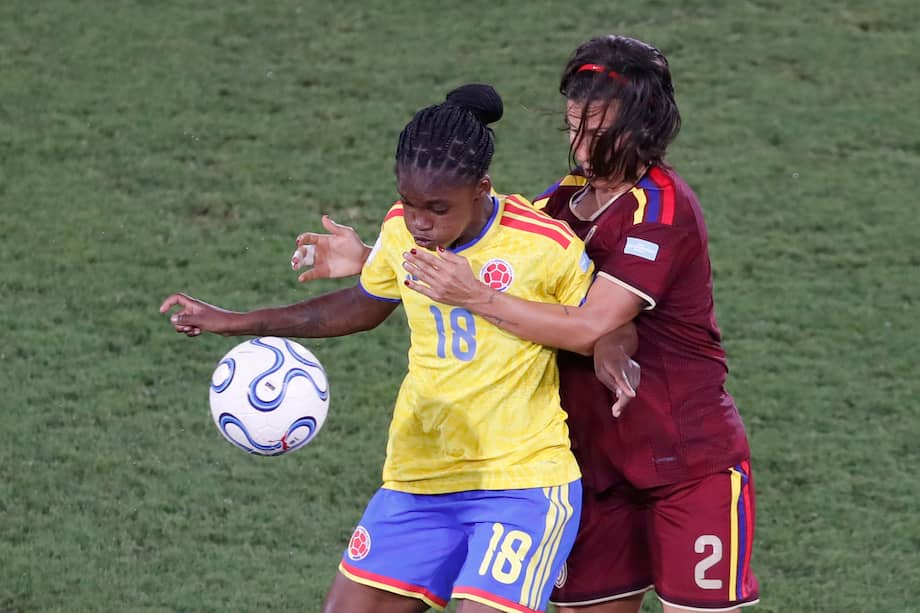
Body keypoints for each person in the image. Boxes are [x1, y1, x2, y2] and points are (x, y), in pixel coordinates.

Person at [292, 36, 760, 613]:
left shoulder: (662, 211)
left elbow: (592, 323)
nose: (582, 148)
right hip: (596, 467)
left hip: (685, 462)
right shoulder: (559, 206)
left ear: (642, 129)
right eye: (573, 129)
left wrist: (478, 297)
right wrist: (372, 258)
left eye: (598, 133)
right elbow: (500, 256)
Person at [161, 84, 595, 613]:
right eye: (409, 203)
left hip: (520, 482)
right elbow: (362, 306)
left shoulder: (544, 246)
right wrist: (235, 321)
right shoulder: (401, 232)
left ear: (482, 188)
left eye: (437, 208)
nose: (419, 221)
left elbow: (601, 325)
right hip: (418, 474)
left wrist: (616, 353)